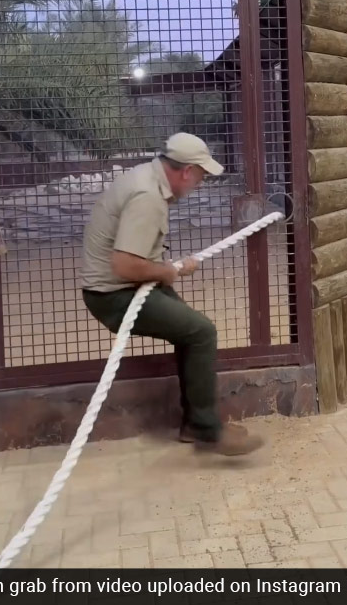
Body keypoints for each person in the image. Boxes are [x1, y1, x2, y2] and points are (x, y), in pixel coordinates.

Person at [80, 133, 264, 456]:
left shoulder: (149, 180)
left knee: (190, 332)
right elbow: (123, 264)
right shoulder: (147, 197)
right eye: (201, 176)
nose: (200, 183)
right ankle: (208, 431)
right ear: (185, 171)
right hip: (112, 294)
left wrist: (167, 269)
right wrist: (168, 271)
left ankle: (196, 423)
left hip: (127, 285)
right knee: (202, 332)